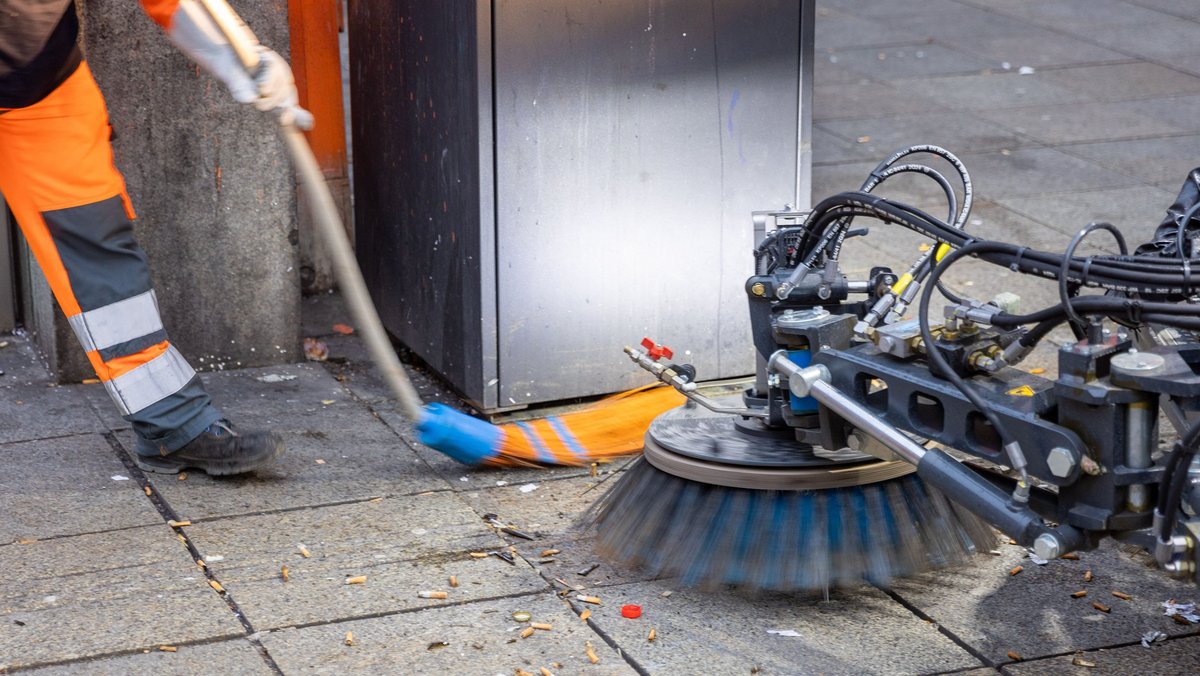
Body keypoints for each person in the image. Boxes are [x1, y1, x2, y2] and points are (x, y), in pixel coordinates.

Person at [0, 0, 305, 475]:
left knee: (98, 251)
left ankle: (173, 424)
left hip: (40, 89)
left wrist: (240, 55)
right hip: (31, 78)